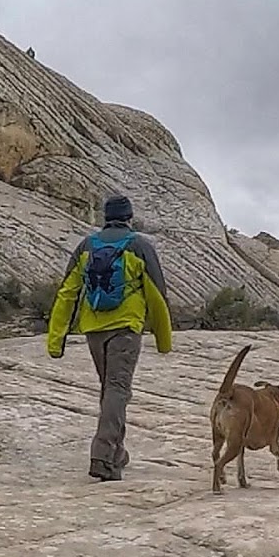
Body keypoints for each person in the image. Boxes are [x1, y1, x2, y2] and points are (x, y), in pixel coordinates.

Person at [46, 195, 173, 480]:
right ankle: (102, 455)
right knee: (117, 389)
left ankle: (117, 453)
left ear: (105, 217)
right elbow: (156, 295)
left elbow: (67, 292)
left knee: (111, 390)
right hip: (126, 328)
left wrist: (56, 339)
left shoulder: (87, 246)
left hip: (93, 329)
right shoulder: (139, 246)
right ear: (129, 217)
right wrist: (164, 340)